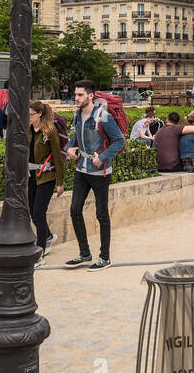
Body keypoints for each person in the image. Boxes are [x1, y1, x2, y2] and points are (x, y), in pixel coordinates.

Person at [64, 80, 125, 271]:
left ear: (90, 95)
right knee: (74, 210)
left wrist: (103, 157)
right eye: (75, 95)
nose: (76, 98)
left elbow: (119, 141)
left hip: (100, 171)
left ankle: (104, 257)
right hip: (81, 168)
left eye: (80, 95)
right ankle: (84, 253)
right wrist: (69, 149)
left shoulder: (103, 116)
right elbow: (73, 139)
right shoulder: (77, 115)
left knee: (101, 214)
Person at [28, 100, 65, 266]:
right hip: (31, 176)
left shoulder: (49, 131)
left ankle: (39, 252)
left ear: (39, 114)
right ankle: (49, 236)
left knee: (38, 213)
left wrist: (60, 182)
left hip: (46, 177)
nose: (28, 117)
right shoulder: (28, 130)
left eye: (30, 115)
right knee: (32, 212)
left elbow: (57, 157)